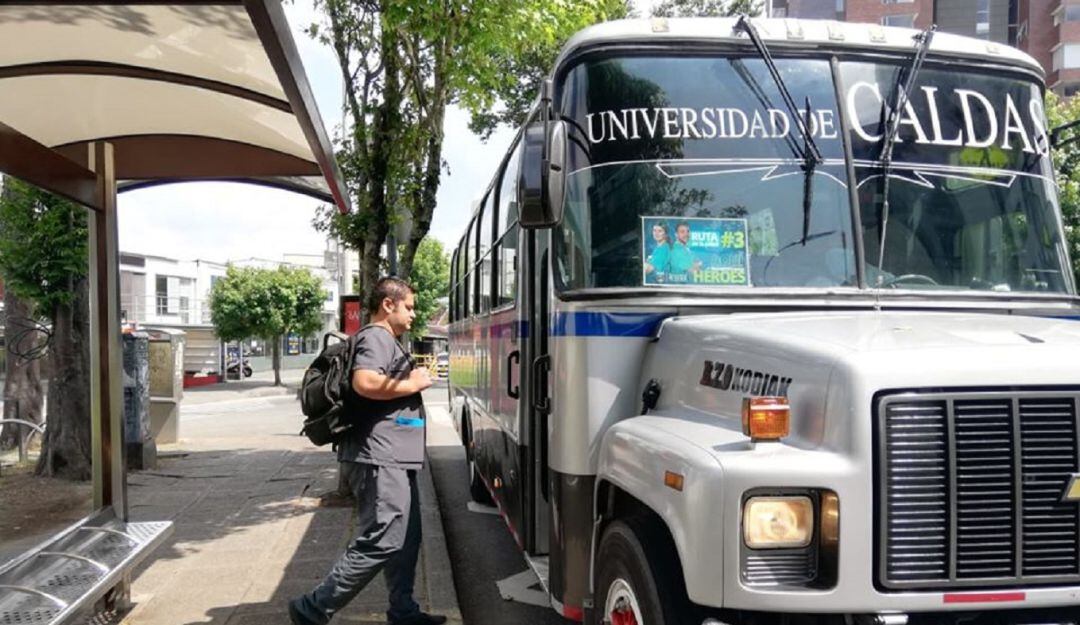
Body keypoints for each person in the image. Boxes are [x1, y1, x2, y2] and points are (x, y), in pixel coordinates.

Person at [289, 277, 444, 625]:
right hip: (380, 456)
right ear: (388, 305)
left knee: (407, 539)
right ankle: (312, 607)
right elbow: (365, 382)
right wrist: (413, 383)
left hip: (396, 456)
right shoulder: (376, 336)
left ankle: (403, 611)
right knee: (384, 538)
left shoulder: (388, 339)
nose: (414, 313)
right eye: (409, 306)